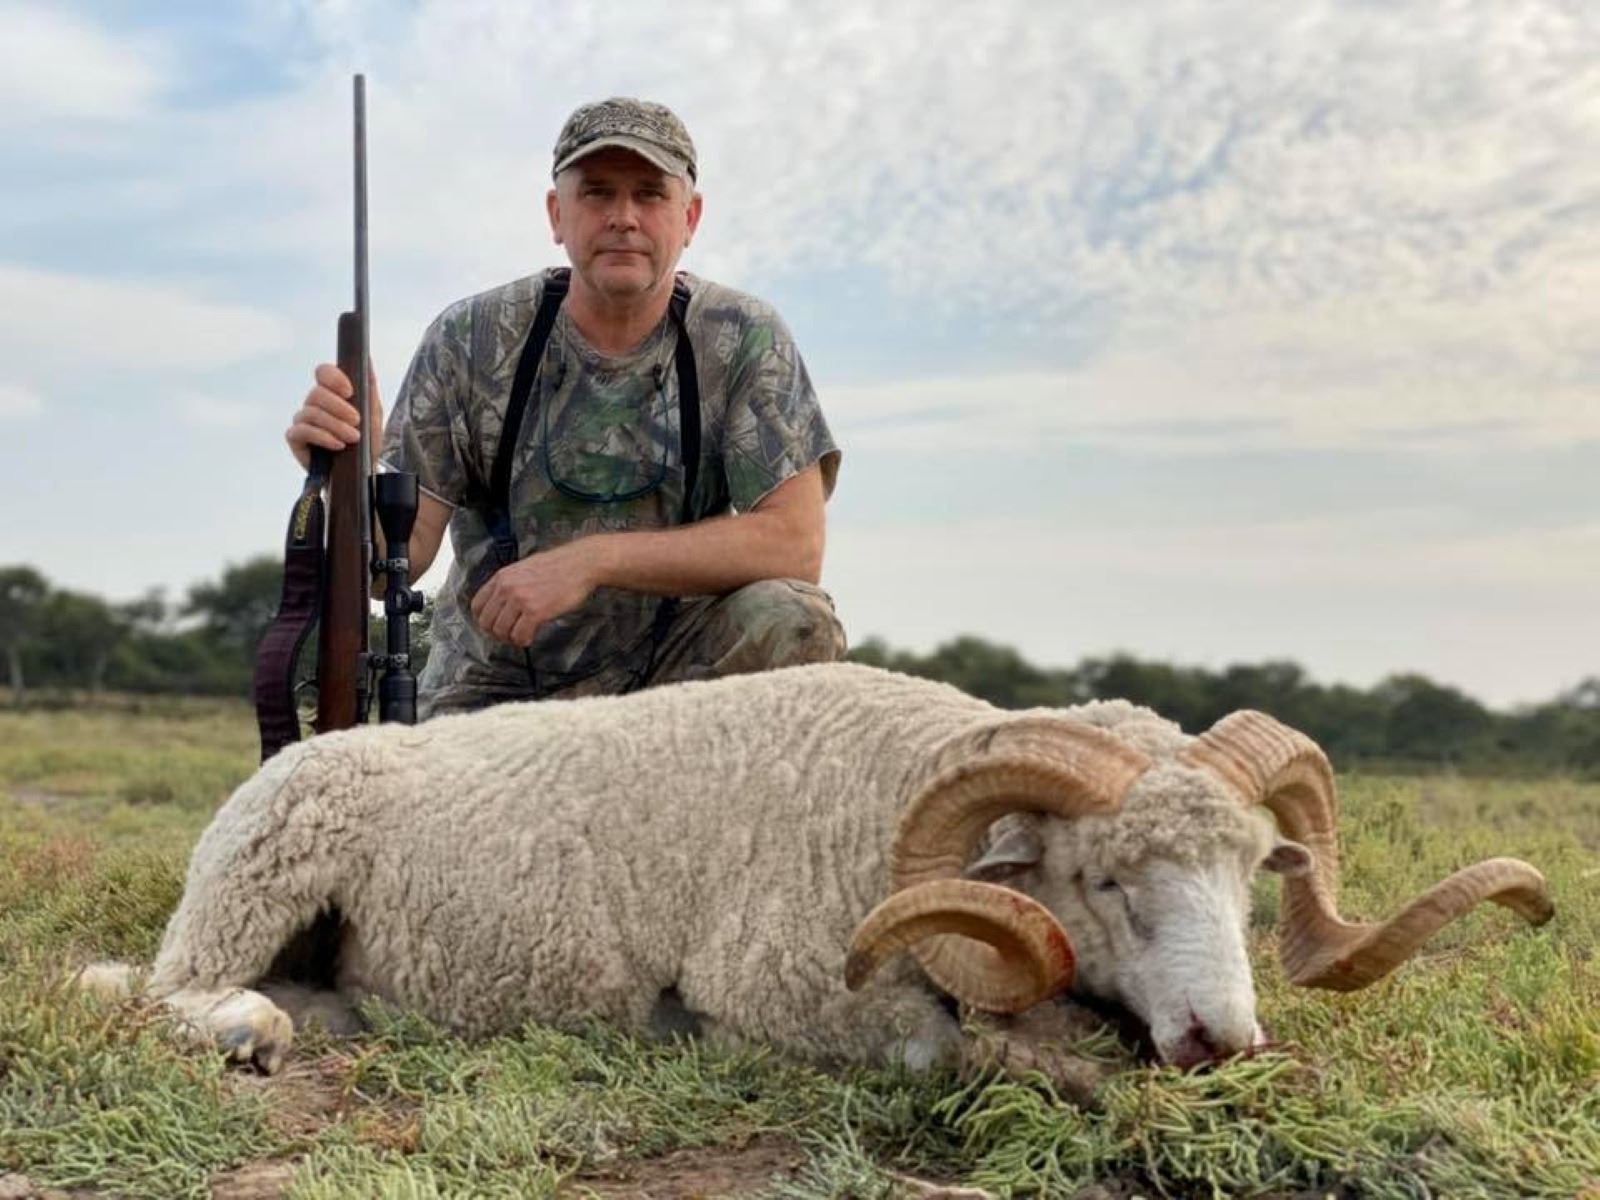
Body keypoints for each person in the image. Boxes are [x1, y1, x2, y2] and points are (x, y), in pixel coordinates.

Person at [286, 98, 844, 718]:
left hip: (676, 687)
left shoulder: (744, 337)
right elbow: (393, 564)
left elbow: (796, 545)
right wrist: (344, 472)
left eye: (650, 194)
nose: (623, 218)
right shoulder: (469, 338)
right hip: (494, 690)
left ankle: (719, 783)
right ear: (558, 214)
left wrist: (592, 561)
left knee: (794, 618)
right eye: (597, 193)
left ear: (690, 218)